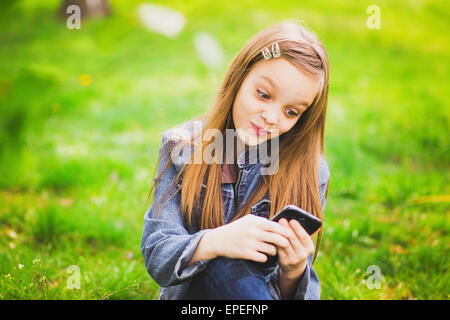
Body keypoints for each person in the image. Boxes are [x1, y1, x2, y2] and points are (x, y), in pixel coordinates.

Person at [141, 19, 331, 300]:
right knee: (224, 263)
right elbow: (158, 253)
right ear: (239, 77)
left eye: (291, 112)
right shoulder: (182, 147)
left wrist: (293, 270)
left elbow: (292, 290)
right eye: (264, 95)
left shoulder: (310, 170)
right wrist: (217, 241)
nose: (271, 117)